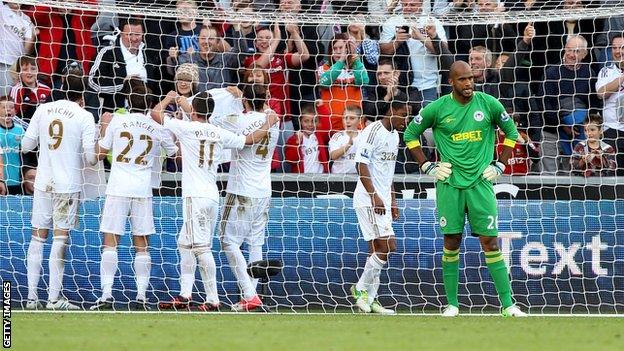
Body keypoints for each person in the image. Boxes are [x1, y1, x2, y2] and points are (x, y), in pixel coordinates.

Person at [403, 61, 526, 317]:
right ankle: (452, 304)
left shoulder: (489, 104)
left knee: (490, 242)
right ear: (451, 82)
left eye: (471, 78)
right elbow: (410, 135)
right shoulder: (437, 108)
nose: (469, 83)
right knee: (451, 242)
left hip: (481, 183)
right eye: (463, 79)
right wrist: (427, 166)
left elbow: (512, 133)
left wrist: (501, 166)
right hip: (449, 184)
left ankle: (508, 305)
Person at [154, 86, 279, 311]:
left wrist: (170, 99)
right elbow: (247, 141)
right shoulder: (223, 131)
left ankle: (214, 298)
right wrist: (269, 121)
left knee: (204, 247)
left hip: (199, 194)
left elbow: (156, 114)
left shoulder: (189, 128)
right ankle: (185, 293)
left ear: (194, 112)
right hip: (220, 194)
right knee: (185, 242)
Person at [91, 81, 178, 311]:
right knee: (141, 243)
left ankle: (107, 295)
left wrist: (101, 131)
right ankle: (141, 297)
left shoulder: (117, 121)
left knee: (111, 242)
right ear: (149, 102)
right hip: (142, 189)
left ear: (128, 100)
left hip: (118, 187)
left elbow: (99, 153)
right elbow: (174, 153)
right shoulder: (157, 127)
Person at [21, 75, 98, 310]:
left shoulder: (43, 109)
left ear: (62, 89)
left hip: (43, 182)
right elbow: (90, 158)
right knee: (60, 237)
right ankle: (54, 299)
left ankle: (32, 298)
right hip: (68, 185)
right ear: (82, 94)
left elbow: (26, 145)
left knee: (37, 237)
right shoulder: (85, 116)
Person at [220, 85, 280, 312]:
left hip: (241, 190)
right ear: (265, 98)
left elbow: (205, 115)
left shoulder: (238, 121)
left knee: (228, 241)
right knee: (256, 243)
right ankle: (252, 297)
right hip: (264, 191)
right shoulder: (273, 122)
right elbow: (262, 111)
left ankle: (249, 294)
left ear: (244, 100)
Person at [350, 101, 410, 315]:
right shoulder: (372, 131)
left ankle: (371, 299)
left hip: (383, 200)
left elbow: (388, 172)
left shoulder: (395, 136)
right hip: (369, 199)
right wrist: (374, 195)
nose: (406, 120)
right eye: (403, 115)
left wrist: (392, 199)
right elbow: (361, 164)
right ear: (392, 111)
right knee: (388, 246)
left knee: (376, 251)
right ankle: (359, 289)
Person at [88, 16, 157, 112]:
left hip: (144, 114)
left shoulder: (148, 52)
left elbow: (156, 84)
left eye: (137, 34)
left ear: (143, 34)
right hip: (115, 113)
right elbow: (93, 82)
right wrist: (122, 84)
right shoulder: (107, 52)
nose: (133, 38)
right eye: (129, 34)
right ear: (121, 34)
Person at [317, 33, 369, 132]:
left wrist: (354, 56)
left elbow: (363, 82)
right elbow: (324, 83)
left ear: (348, 49)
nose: (338, 51)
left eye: (341, 48)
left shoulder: (357, 66)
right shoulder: (323, 68)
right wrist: (341, 61)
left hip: (354, 126)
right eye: (334, 49)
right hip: (331, 126)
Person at [596, 33, 624, 174]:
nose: (618, 51)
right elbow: (601, 93)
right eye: (615, 48)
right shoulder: (606, 71)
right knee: (614, 175)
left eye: (622, 47)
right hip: (612, 130)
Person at [0, 1, 36, 96]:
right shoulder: (2, 9)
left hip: (18, 66)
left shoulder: (26, 19)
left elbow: (27, 50)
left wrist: (32, 37)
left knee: (14, 98)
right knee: (4, 98)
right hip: (4, 62)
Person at [284, 103, 329, 173]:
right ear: (300, 121)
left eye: (313, 121)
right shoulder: (293, 139)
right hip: (303, 179)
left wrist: (321, 107)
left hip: (320, 178)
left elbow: (328, 126)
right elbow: (290, 160)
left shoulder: (319, 136)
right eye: (306, 121)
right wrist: (297, 142)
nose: (310, 124)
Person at [10, 56, 52, 122]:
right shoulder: (17, 90)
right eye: (25, 69)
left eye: (33, 69)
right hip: (24, 127)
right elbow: (13, 116)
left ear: (38, 71)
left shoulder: (46, 89)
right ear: (19, 72)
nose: (29, 72)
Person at [0, 96, 27, 194]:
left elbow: (26, 151)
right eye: (4, 107)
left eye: (11, 107)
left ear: (15, 111)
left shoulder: (20, 130)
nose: (8, 109)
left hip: (17, 179)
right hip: (2, 180)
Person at [329, 105, 363, 174]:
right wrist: (348, 145)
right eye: (345, 118)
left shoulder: (364, 136)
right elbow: (333, 156)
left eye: (352, 118)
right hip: (339, 177)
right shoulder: (337, 136)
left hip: (358, 177)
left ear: (359, 120)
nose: (347, 121)